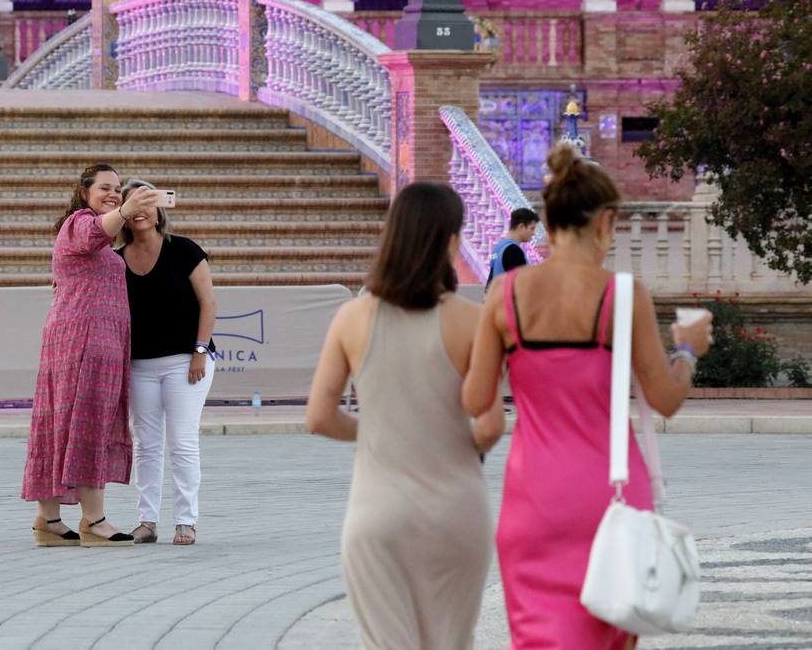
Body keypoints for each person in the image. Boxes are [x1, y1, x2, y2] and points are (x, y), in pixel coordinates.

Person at [463, 143, 713, 648]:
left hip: (533, 498)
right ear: (606, 221)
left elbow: (475, 398)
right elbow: (664, 399)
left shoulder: (504, 294)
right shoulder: (623, 294)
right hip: (611, 497)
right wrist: (687, 351)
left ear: (549, 222)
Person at [305, 182, 504, 648]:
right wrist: (447, 440)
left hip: (378, 511)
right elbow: (491, 424)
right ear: (451, 241)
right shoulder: (472, 321)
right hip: (457, 509)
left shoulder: (353, 317)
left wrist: (378, 432)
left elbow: (318, 416)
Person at [22, 164, 160, 547]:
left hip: (84, 342)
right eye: (105, 188)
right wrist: (128, 207)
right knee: (85, 424)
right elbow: (95, 233)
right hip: (83, 343)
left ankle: (48, 520)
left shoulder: (98, 235)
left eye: (118, 188)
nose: (114, 193)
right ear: (84, 193)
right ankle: (93, 519)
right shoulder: (80, 223)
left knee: (61, 424)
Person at [116, 179, 216, 547]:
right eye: (132, 203)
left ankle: (186, 521)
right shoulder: (115, 259)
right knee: (146, 443)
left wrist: (199, 351)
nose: (141, 210)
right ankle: (147, 520)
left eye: (148, 201)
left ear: (159, 210)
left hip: (185, 361)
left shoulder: (185, 250)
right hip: (139, 364)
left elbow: (208, 302)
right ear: (123, 214)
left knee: (183, 441)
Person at [487, 207, 538, 286]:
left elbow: (490, 282)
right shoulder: (513, 251)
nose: (533, 233)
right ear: (521, 227)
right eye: (532, 228)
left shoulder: (498, 247)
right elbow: (522, 285)